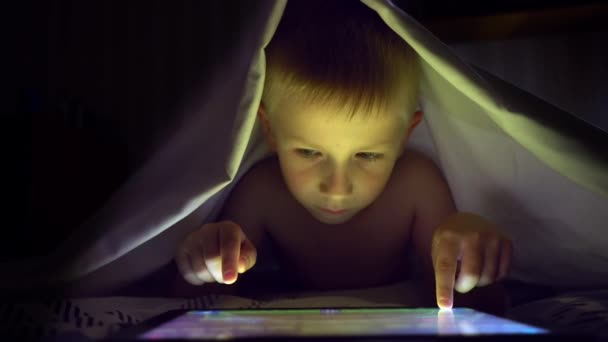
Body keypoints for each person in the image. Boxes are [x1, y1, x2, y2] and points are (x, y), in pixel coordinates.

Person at [173, 0, 512, 311]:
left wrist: (471, 255)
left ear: (406, 135)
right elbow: (203, 300)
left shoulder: (416, 186)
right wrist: (205, 261)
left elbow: (465, 295)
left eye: (367, 155)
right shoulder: (263, 193)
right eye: (308, 152)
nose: (337, 188)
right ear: (270, 131)